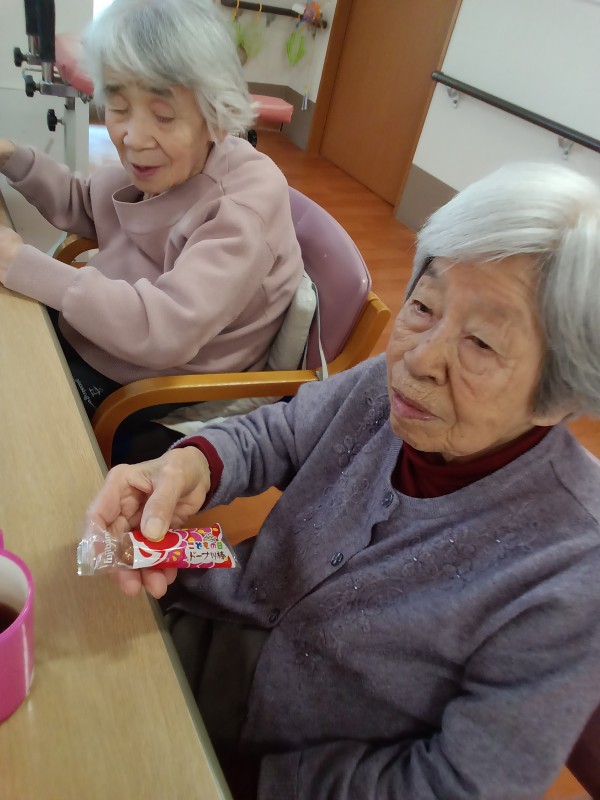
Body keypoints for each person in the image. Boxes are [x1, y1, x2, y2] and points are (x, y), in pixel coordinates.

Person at [86, 162, 600, 800]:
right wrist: (193, 466)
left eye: (482, 344)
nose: (419, 358)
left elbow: (452, 785)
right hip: (206, 623)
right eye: (423, 305)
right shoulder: (389, 388)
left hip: (301, 767)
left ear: (560, 392)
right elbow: (278, 434)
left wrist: (251, 783)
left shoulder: (571, 572)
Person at [0, 0, 304, 460]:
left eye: (163, 116)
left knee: (24, 432)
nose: (134, 138)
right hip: (106, 329)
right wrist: (12, 158)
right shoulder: (164, 164)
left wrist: (24, 265)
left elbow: (165, 329)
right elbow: (85, 203)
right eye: (118, 108)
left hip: (161, 374)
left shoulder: (241, 207)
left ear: (216, 117)